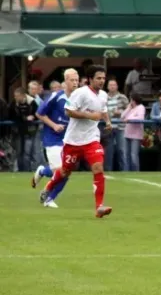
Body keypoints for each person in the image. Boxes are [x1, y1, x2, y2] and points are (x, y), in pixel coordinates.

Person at [40, 65, 113, 218]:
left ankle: (99, 207)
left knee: (98, 168)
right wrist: (89, 115)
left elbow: (103, 109)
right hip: (73, 141)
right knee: (65, 171)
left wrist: (107, 122)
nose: (101, 81)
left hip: (91, 139)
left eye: (103, 78)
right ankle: (50, 185)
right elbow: (69, 111)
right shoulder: (81, 93)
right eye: (98, 78)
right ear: (90, 79)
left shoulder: (103, 95)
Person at [32, 68, 79, 208]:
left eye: (77, 80)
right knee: (60, 170)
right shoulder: (56, 96)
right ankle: (48, 197)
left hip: (69, 140)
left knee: (66, 172)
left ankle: (49, 195)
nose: (75, 83)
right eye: (72, 80)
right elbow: (39, 113)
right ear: (65, 81)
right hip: (53, 138)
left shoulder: (79, 97)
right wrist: (53, 125)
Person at [121, 93, 146, 171]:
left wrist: (129, 119)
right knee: (126, 155)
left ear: (134, 100)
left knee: (133, 155)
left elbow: (140, 118)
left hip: (136, 135)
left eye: (131, 99)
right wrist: (128, 108)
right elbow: (122, 116)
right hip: (127, 133)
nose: (130, 101)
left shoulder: (141, 107)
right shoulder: (130, 108)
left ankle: (135, 172)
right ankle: (126, 172)